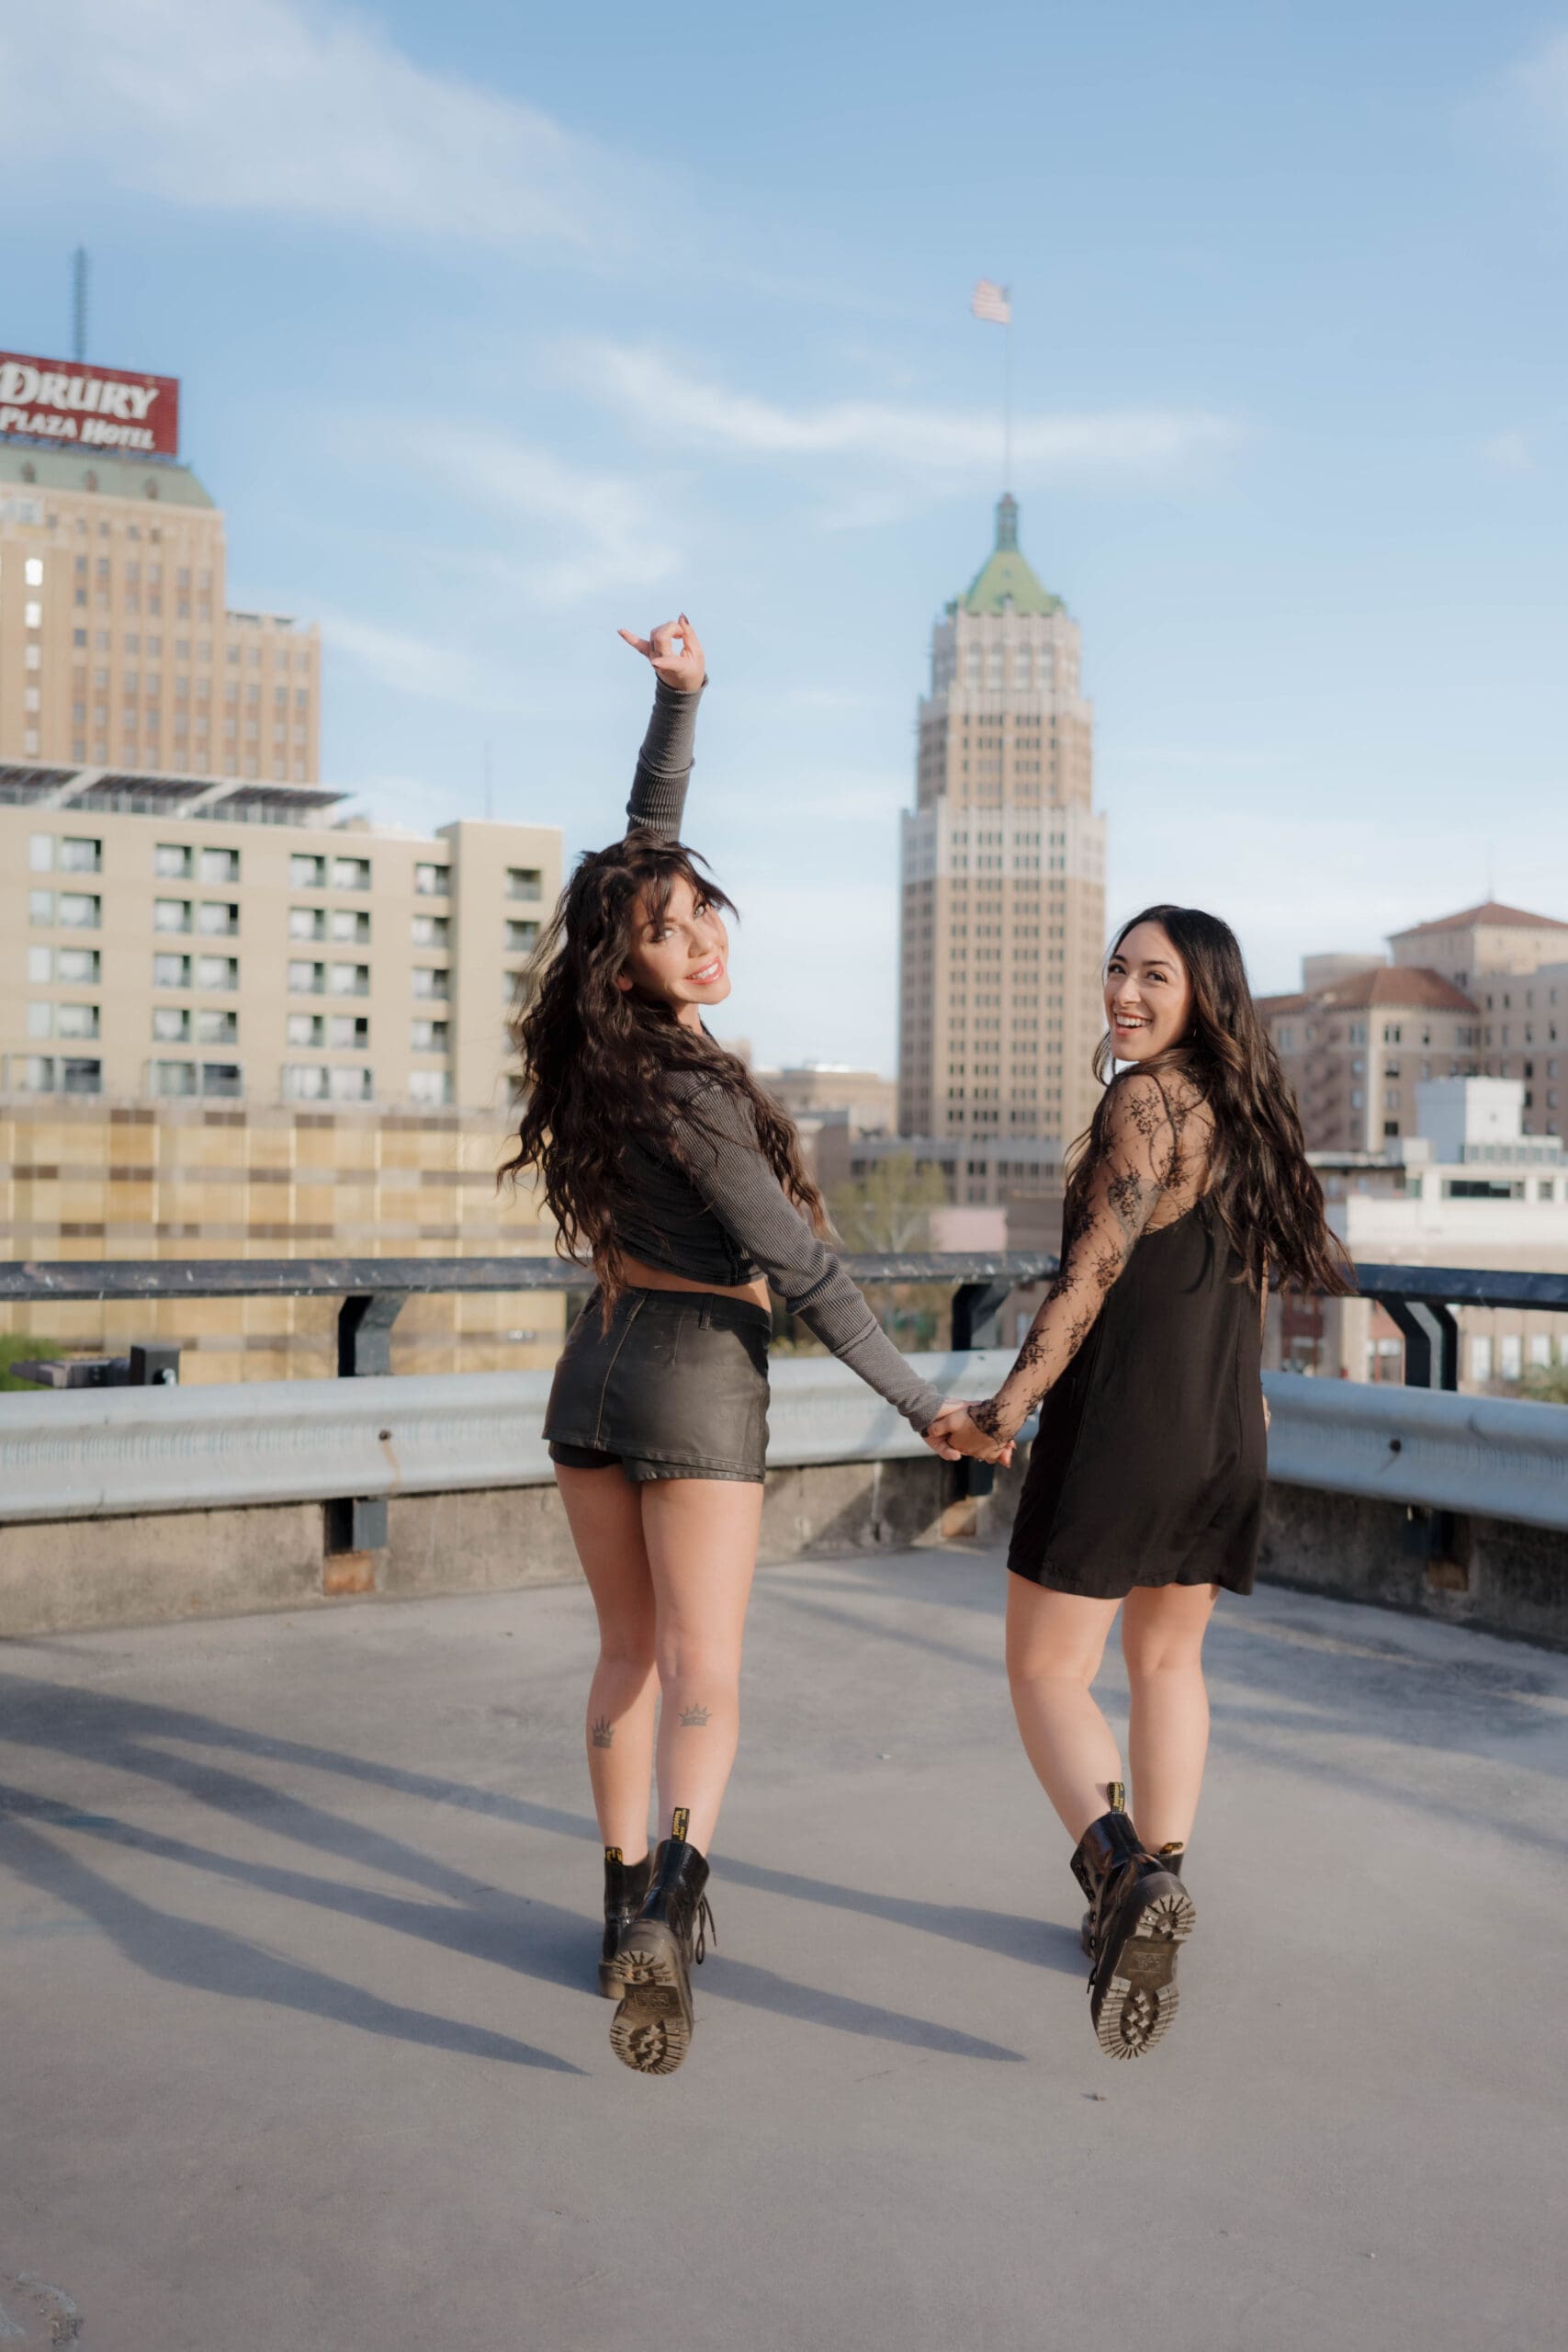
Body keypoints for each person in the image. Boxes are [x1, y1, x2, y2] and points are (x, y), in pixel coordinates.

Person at [503, 617, 1004, 2077]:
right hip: (692, 1375)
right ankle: (670, 1899)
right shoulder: (694, 1095)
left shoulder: (588, 1048)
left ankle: (614, 1915)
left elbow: (636, 853)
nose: (699, 932)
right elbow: (808, 1276)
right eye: (669, 929)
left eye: (704, 910)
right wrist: (926, 1408)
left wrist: (676, 701)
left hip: (588, 1368)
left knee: (623, 1657)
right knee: (707, 1673)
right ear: (630, 959)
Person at [929, 907, 1351, 2060]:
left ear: (1204, 991)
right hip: (1225, 1428)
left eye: (1152, 974)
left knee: (1045, 1670)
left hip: (1125, 1424)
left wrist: (1006, 1408)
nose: (1123, 991)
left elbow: (1092, 1272)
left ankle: (1121, 1882)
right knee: (1169, 1662)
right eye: (1116, 970)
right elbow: (1246, 1288)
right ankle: (1162, 1881)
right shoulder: (1249, 1115)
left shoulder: (1145, 1100)